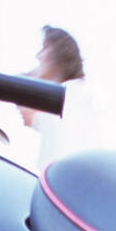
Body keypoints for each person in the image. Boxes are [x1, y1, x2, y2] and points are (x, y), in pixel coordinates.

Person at [18, 25, 102, 171]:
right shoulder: (75, 99)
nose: (38, 56)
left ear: (59, 53)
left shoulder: (72, 100)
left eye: (44, 48)